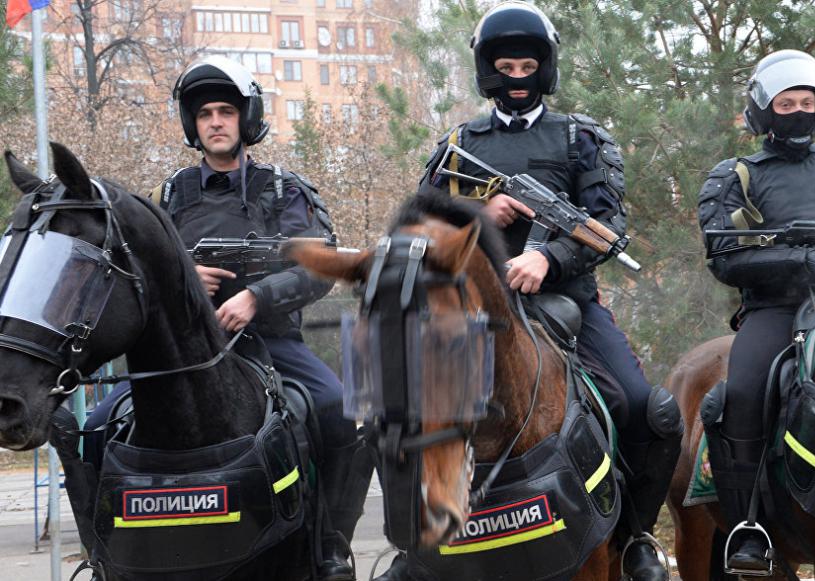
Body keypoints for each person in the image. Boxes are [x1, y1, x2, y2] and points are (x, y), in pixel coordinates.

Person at [374, 3, 684, 581]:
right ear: (489, 71)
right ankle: (413, 549)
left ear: (544, 69)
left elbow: (606, 227)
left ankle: (634, 535)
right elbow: (416, 228)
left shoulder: (581, 138)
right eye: (506, 66)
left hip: (564, 303)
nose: (516, 76)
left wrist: (547, 256)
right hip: (466, 312)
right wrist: (476, 212)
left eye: (526, 65)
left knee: (645, 408)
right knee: (397, 414)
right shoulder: (457, 144)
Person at [83, 56, 368, 581]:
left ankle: (328, 547)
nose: (215, 121)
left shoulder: (284, 190)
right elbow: (142, 268)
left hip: (269, 341)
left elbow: (318, 266)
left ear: (246, 118)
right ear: (193, 124)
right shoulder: (171, 194)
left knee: (335, 409)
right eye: (205, 113)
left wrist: (255, 298)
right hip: (183, 351)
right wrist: (186, 276)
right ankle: (101, 550)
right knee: (94, 426)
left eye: (226, 111)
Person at [698, 49, 815, 572]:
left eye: (808, 102)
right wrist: (809, 259)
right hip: (775, 310)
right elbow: (725, 256)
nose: (799, 111)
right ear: (764, 110)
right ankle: (749, 526)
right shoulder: (734, 174)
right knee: (739, 394)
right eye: (787, 103)